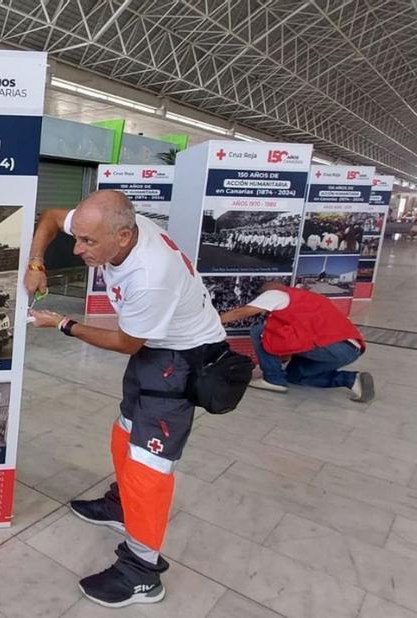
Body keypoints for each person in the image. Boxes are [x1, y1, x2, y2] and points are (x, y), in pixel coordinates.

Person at [25, 190, 227, 608]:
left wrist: (63, 323)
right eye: (77, 238)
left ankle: (142, 573)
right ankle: (121, 507)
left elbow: (127, 342)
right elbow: (49, 216)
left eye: (88, 243)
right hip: (155, 348)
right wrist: (36, 263)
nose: (78, 250)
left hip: (181, 357)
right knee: (125, 432)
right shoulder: (105, 226)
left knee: (149, 466)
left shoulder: (152, 275)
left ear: (123, 236)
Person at [218, 282, 374, 401]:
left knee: (260, 331)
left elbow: (243, 312)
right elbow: (296, 337)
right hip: (351, 349)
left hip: (332, 345)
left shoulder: (274, 294)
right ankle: (352, 380)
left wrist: (214, 321)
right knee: (294, 376)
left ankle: (273, 379)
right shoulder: (305, 297)